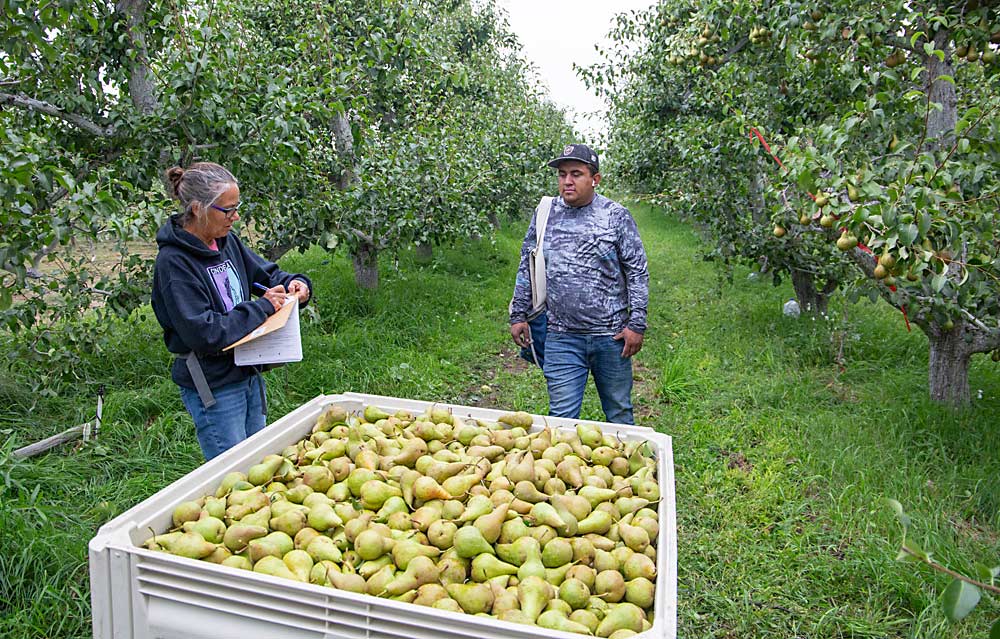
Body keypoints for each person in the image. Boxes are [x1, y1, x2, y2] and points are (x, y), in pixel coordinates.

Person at [151, 162, 312, 460]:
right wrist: (263, 307)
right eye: (228, 210)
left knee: (259, 459)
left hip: (247, 371)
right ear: (198, 209)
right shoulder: (174, 264)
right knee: (233, 470)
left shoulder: (226, 243)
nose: (236, 217)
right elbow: (205, 332)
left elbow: (265, 276)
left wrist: (296, 285)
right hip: (215, 383)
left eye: (237, 208)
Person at [509, 144, 649, 424]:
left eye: (576, 174)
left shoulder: (615, 216)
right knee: (561, 419)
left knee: (620, 412)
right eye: (562, 175)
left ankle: (628, 463)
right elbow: (528, 262)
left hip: (611, 337)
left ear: (594, 179)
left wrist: (636, 324)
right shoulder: (546, 214)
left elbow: (637, 270)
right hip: (561, 335)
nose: (567, 181)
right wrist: (518, 314)